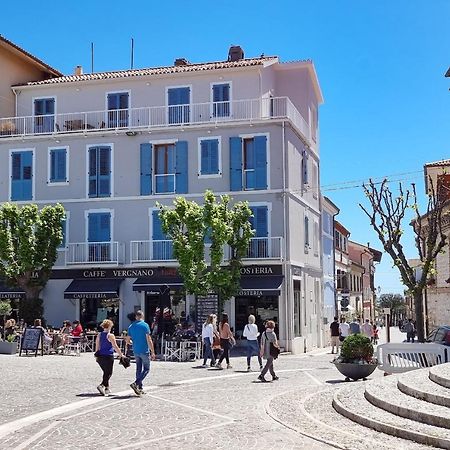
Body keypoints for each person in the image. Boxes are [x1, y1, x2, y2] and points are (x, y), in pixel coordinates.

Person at [126, 310, 156, 395]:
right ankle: (136, 383)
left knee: (138, 368)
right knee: (146, 368)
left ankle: (139, 387)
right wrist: (152, 351)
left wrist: (133, 343)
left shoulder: (131, 326)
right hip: (144, 350)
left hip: (136, 350)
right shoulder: (145, 325)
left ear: (136, 316)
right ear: (142, 316)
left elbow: (128, 340)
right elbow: (149, 339)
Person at [95, 319, 123, 396]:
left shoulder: (99, 335)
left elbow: (97, 345)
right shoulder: (110, 335)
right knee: (109, 372)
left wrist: (96, 355)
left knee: (105, 372)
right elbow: (115, 346)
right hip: (108, 356)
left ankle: (107, 388)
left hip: (100, 355)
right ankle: (102, 385)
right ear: (110, 326)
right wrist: (121, 355)